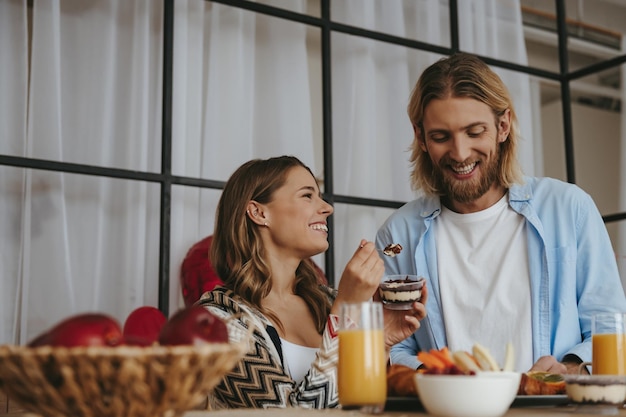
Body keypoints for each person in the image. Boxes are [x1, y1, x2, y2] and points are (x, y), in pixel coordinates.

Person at [375, 52, 626, 374]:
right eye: (441, 137)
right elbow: (394, 344)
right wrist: (438, 376)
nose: (460, 153)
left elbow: (609, 327)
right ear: (421, 137)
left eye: (475, 132)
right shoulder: (398, 235)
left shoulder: (569, 208)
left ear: (503, 125)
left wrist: (570, 369)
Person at [196, 155, 428, 409]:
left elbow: (366, 407)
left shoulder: (327, 300)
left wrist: (379, 341)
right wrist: (346, 308)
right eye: (307, 195)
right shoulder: (216, 322)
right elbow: (293, 415)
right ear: (259, 212)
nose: (328, 208)